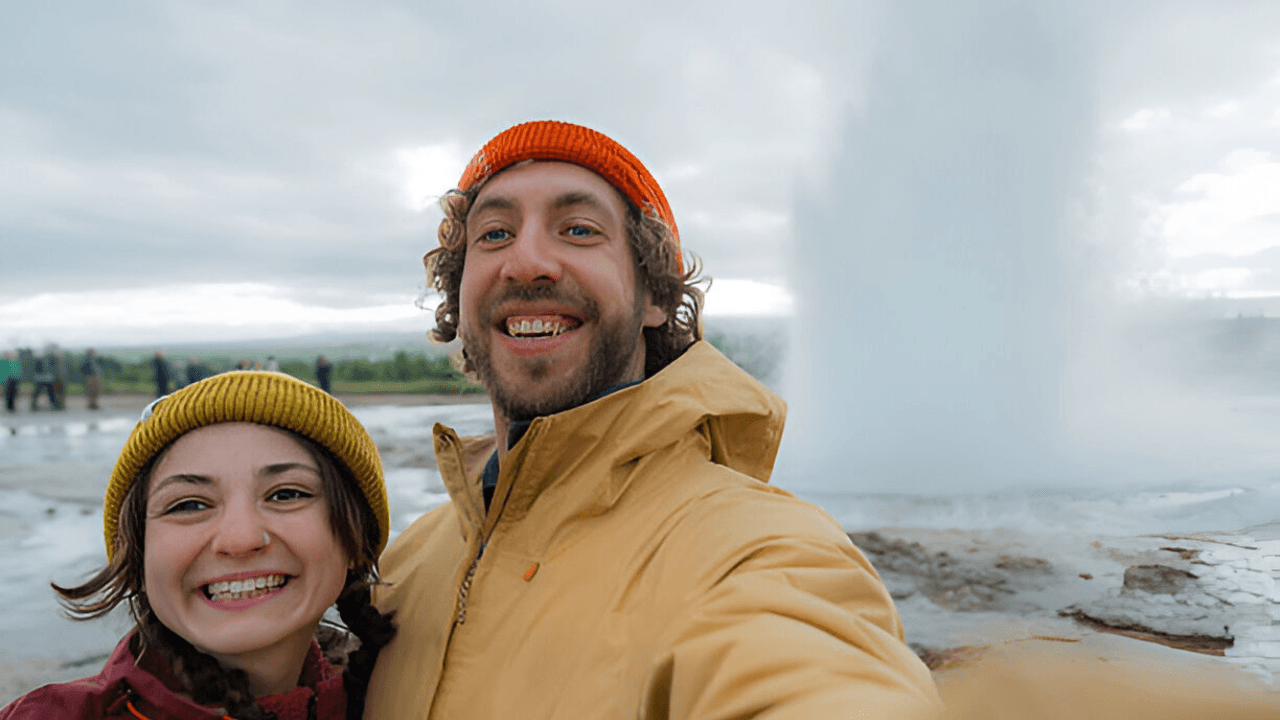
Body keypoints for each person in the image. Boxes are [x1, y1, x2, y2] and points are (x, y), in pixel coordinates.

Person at [364, 121, 938, 719]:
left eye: (579, 230)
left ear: (656, 298)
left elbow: (817, 674)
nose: (526, 260)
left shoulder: (752, 547)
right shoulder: (405, 564)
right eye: (495, 233)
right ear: (458, 299)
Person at [0, 371, 396, 720]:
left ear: (357, 537)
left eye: (286, 494)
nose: (240, 540)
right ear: (137, 556)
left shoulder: (412, 697)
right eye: (189, 504)